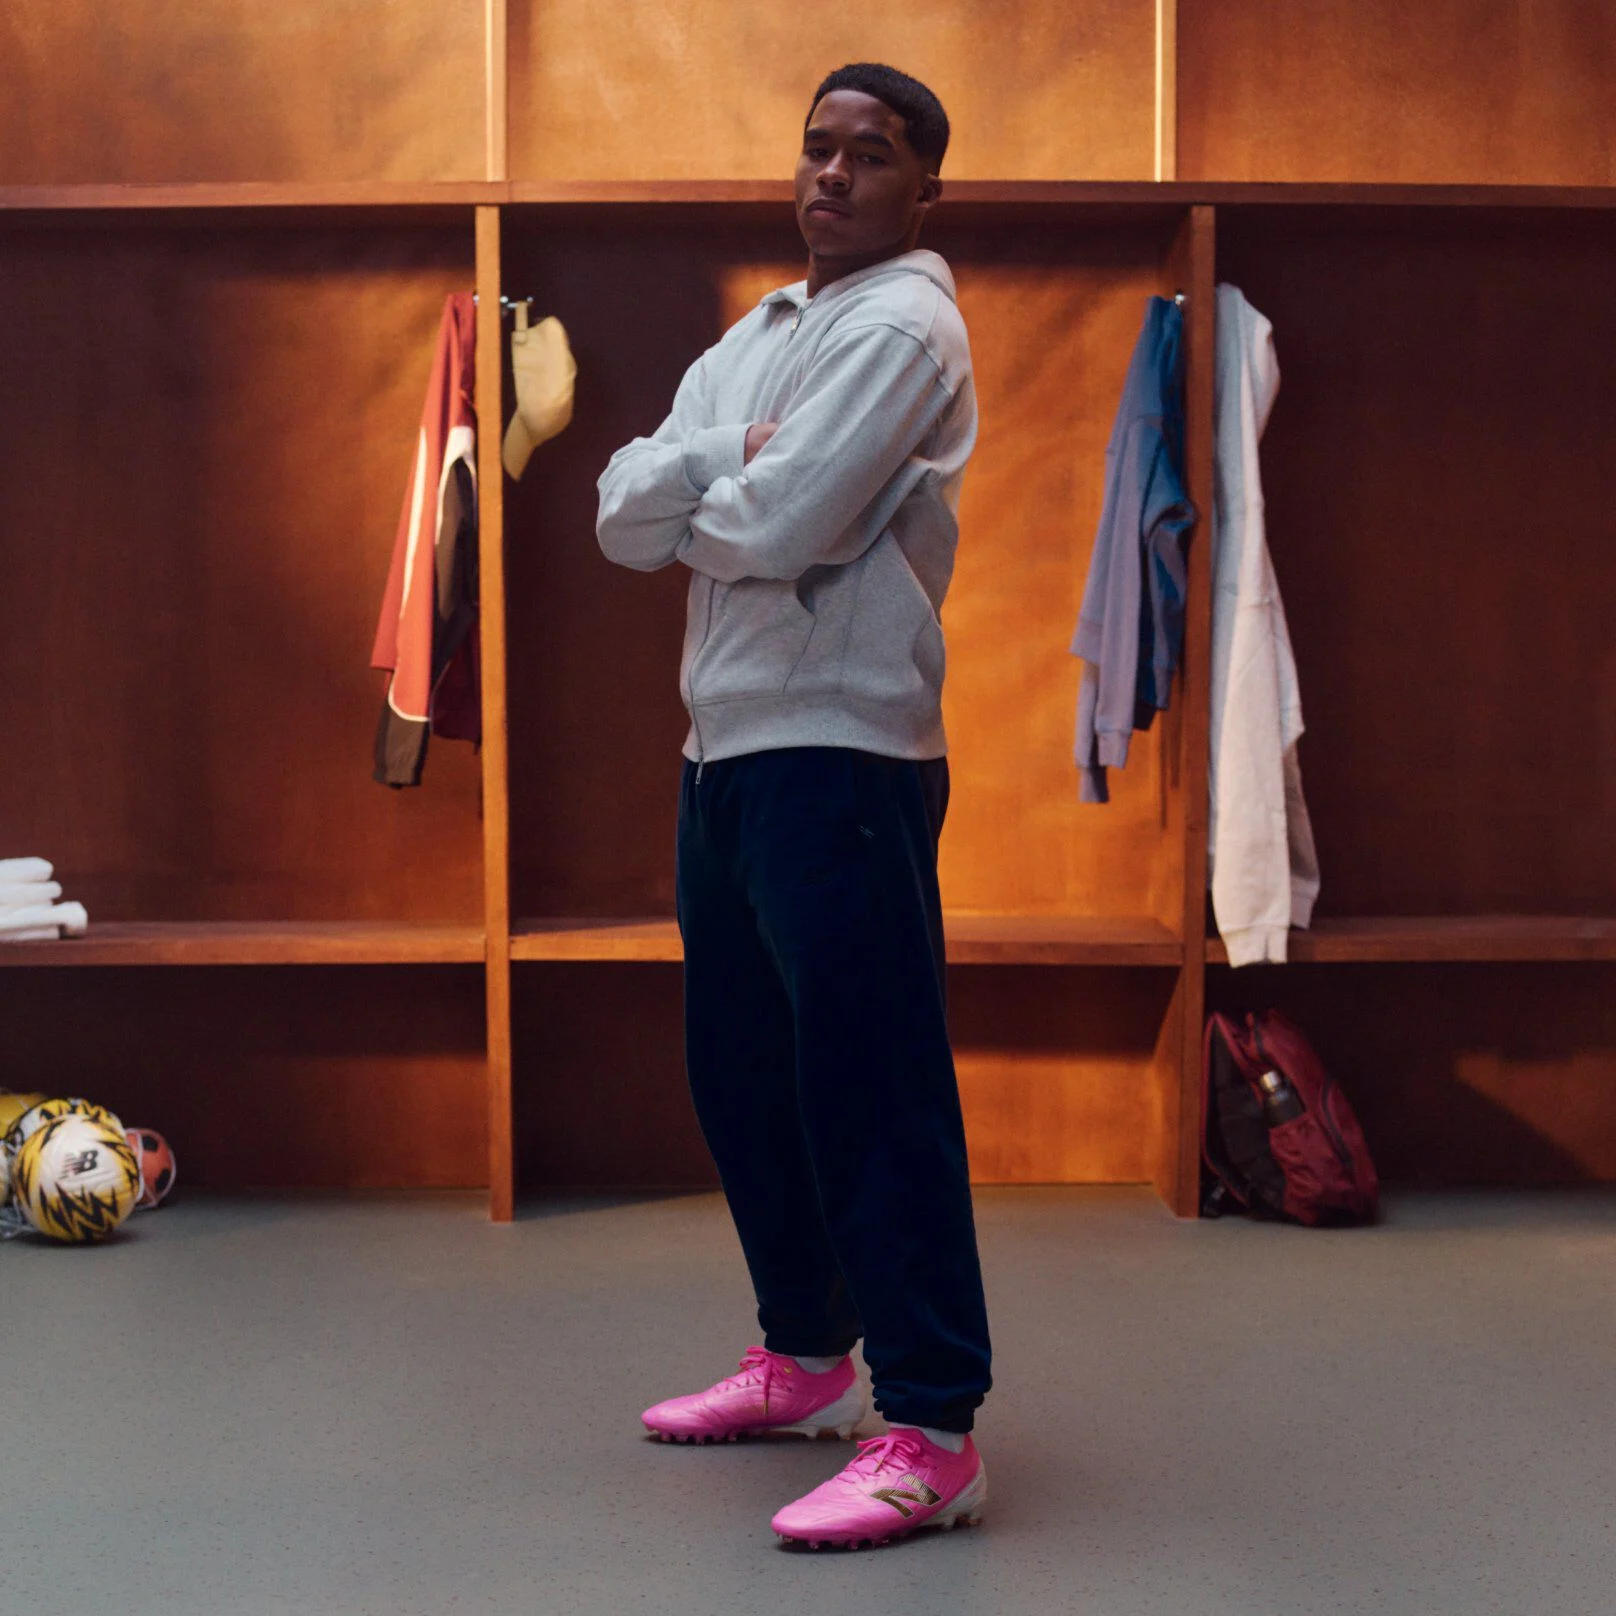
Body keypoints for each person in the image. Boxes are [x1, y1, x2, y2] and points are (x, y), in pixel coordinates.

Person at [595, 61, 992, 1551]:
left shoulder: (907, 327)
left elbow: (779, 524)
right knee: (744, 1076)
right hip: (725, 756)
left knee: (871, 1090)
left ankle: (933, 1422)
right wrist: (718, 460)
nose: (832, 174)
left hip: (846, 752)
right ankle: (808, 1358)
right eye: (818, 149)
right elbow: (620, 515)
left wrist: (715, 491)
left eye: (870, 154)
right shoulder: (758, 336)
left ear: (923, 186)